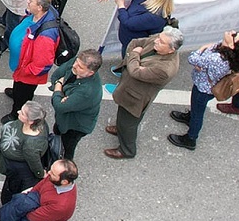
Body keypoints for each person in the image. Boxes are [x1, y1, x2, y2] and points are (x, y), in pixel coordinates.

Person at [104, 27, 184, 159]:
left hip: (136, 97)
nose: (156, 41)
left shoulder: (165, 69)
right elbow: (135, 42)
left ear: (171, 49)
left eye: (161, 42)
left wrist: (134, 54)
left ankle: (127, 150)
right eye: (159, 38)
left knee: (129, 123)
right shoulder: (159, 39)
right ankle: (119, 129)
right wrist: (135, 61)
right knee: (122, 115)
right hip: (128, 88)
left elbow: (135, 72)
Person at [48, 49, 104, 161]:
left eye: (80, 67)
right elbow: (55, 76)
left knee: (67, 147)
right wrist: (61, 96)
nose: (74, 66)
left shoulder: (88, 91)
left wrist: (59, 86)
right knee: (58, 132)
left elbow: (60, 106)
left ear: (90, 73)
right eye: (76, 62)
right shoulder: (78, 62)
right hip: (64, 118)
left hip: (75, 125)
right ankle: (55, 149)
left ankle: (65, 167)